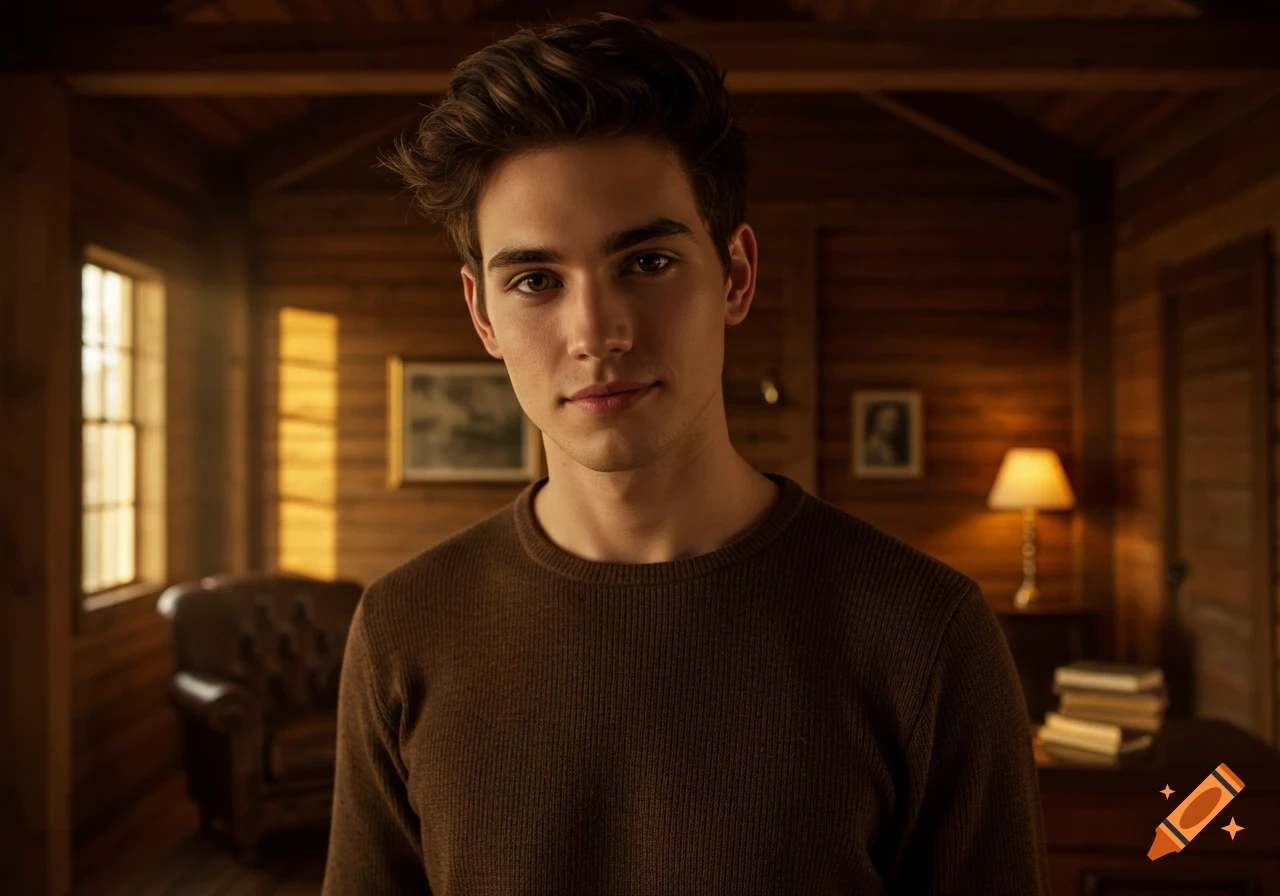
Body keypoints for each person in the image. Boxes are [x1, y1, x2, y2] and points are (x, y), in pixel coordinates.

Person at [322, 13, 1049, 895]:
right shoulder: (404, 625)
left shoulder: (924, 631)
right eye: (536, 282)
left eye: (648, 263)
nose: (598, 332)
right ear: (484, 315)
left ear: (736, 275)